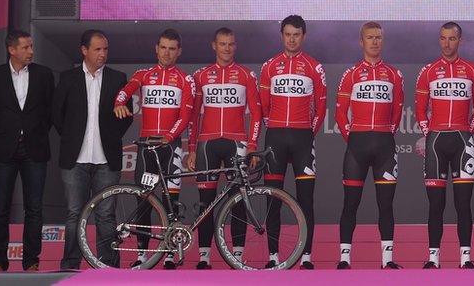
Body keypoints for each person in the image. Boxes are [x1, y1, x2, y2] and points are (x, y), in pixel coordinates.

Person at [113, 28, 196, 269]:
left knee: (170, 202)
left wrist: (169, 137)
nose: (167, 53)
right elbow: (125, 91)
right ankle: (142, 254)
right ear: (156, 49)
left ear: (178, 51)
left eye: (172, 49)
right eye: (163, 47)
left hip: (170, 150)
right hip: (147, 149)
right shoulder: (144, 75)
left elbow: (186, 115)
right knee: (144, 202)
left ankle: (170, 252)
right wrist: (119, 102)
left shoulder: (185, 79)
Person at [52, 29, 132, 269]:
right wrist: (70, 138)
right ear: (84, 50)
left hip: (106, 157)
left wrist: (110, 135)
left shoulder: (118, 78)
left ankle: (108, 265)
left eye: (105, 49)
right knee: (74, 213)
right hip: (75, 157)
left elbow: (126, 116)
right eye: (97, 49)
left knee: (106, 214)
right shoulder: (68, 78)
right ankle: (70, 263)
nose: (102, 54)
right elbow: (57, 114)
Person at [184, 27, 261, 269]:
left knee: (237, 200)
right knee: (206, 201)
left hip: (236, 144)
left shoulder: (247, 74)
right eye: (222, 44)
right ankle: (204, 256)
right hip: (207, 144)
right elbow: (193, 117)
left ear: (235, 46)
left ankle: (236, 254)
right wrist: (193, 148)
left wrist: (252, 145)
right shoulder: (201, 75)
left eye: (230, 44)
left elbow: (257, 115)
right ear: (214, 46)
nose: (226, 48)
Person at [0, 29, 55, 272]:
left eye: (32, 46)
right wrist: (3, 137)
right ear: (11, 49)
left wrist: (34, 132)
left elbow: (49, 112)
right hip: (4, 151)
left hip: (35, 149)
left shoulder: (44, 75)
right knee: (0, 207)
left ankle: (31, 260)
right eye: (25, 47)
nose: (31, 51)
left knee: (34, 208)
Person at [415, 22, 474, 269]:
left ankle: (465, 258)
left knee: (463, 204)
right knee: (436, 204)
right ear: (439, 40)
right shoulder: (428, 71)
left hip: (462, 142)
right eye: (443, 39)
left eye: (452, 39)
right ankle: (433, 258)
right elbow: (420, 110)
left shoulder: (473, 70)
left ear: (460, 41)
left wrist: (467, 133)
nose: (447, 43)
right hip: (436, 142)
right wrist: (430, 133)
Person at [259, 15, 326, 269]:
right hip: (275, 137)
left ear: (303, 36)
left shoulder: (314, 66)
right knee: (272, 199)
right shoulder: (269, 66)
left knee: (305, 199)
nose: (291, 39)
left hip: (302, 139)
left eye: (296, 34)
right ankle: (274, 255)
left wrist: (309, 132)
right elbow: (262, 105)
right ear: (282, 36)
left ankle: (306, 256)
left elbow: (321, 106)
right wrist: (273, 126)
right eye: (287, 34)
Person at [335, 22, 404, 270]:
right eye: (370, 37)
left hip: (385, 145)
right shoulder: (350, 74)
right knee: (350, 203)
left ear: (382, 41)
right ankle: (344, 259)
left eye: (378, 37)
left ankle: (387, 260)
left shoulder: (394, 74)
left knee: (385, 205)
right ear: (361, 41)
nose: (374, 42)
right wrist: (352, 138)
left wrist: (385, 135)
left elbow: (397, 111)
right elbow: (340, 114)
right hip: (357, 146)